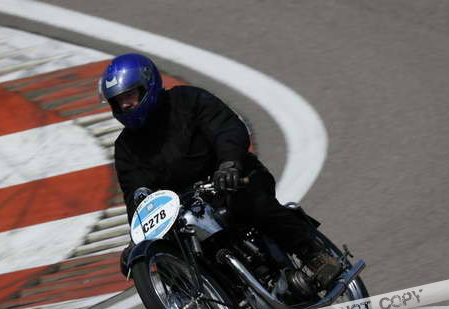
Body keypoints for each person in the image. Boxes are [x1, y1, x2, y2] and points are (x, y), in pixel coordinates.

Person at [99, 53, 341, 289]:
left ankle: (314, 256)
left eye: (129, 95)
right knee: (166, 254)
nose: (125, 104)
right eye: (118, 101)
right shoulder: (125, 148)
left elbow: (227, 128)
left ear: (148, 85)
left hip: (231, 180)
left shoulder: (188, 100)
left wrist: (229, 164)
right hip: (185, 212)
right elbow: (136, 195)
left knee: (252, 203)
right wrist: (138, 237)